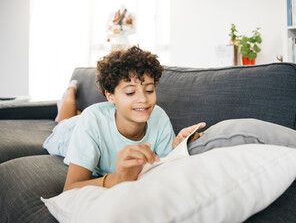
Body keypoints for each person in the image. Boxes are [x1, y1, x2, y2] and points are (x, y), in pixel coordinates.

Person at [62, 46, 205, 191]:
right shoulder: (92, 120)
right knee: (64, 121)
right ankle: (70, 91)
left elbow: (164, 168)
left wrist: (178, 147)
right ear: (110, 96)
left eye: (149, 90)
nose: (143, 99)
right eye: (130, 93)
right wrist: (117, 179)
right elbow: (70, 188)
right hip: (69, 133)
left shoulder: (159, 116)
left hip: (95, 119)